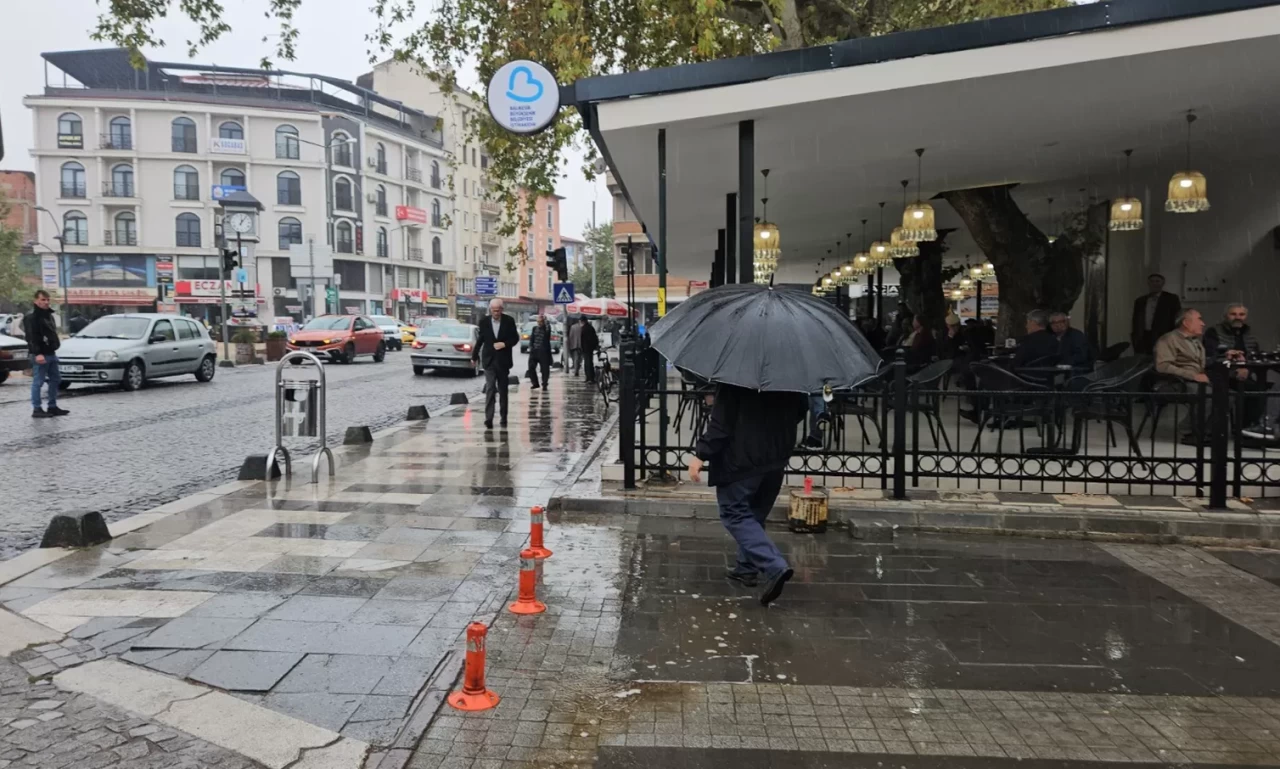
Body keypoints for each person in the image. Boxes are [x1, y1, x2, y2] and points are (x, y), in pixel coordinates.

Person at [687, 384, 807, 606]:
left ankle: (774, 566)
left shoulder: (735, 379)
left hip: (741, 461)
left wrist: (700, 455)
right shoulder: (787, 378)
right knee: (755, 514)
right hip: (774, 459)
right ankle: (746, 568)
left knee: (735, 513)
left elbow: (721, 425)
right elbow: (800, 410)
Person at [1201, 303, 1266, 428]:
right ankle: (1243, 431)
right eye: (1233, 314)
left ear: (1246, 317)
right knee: (1250, 390)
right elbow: (1211, 357)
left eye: (1241, 314)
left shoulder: (1249, 332)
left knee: (1259, 390)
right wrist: (1234, 372)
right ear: (1225, 316)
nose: (1238, 317)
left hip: (1244, 374)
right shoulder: (1213, 331)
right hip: (1219, 375)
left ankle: (1249, 429)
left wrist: (1247, 369)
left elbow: (1254, 355)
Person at [472, 298, 519, 429]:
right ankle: (489, 418)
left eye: (498, 311)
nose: (496, 313)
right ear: (490, 310)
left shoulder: (509, 321)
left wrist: (504, 344)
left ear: (502, 310)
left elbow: (515, 338)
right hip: (489, 361)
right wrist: (474, 356)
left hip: (503, 362)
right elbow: (480, 340)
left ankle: (504, 417)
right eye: (493, 311)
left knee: (503, 391)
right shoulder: (484, 322)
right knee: (490, 389)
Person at [24, 290, 68, 419]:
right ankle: (37, 409)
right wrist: (37, 353)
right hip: (40, 354)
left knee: (55, 379)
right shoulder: (31, 317)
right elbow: (31, 337)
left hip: (51, 352)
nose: (46, 302)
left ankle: (52, 406)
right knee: (38, 382)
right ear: (35, 301)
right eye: (43, 300)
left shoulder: (49, 315)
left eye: (47, 300)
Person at [1131, 273, 1181, 356]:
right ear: (1148, 283)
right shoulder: (1140, 301)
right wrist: (1135, 337)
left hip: (1163, 336)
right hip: (1144, 336)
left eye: (1157, 281)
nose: (1154, 283)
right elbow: (1135, 320)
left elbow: (1177, 318)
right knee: (1144, 361)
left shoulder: (1171, 299)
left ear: (1162, 283)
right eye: (1152, 281)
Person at [527, 314, 553, 390]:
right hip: (534, 351)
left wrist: (546, 320)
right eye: (538, 322)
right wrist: (531, 346)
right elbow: (532, 338)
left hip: (543, 352)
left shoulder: (546, 329)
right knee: (531, 368)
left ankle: (544, 383)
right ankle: (535, 383)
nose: (539, 323)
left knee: (544, 369)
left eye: (541, 322)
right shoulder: (534, 328)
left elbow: (548, 328)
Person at [579, 317, 600, 383]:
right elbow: (594, 338)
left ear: (583, 321)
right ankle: (589, 378)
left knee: (588, 363)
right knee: (589, 363)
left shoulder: (585, 328)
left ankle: (589, 378)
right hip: (589, 348)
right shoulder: (590, 327)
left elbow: (584, 340)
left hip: (586, 348)